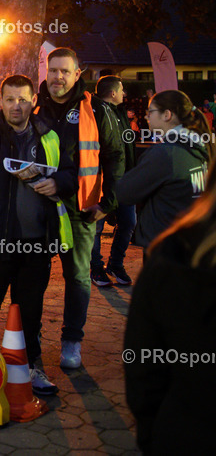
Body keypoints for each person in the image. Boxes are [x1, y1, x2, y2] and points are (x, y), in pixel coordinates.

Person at [0, 75, 77, 396]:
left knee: (31, 312)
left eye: (23, 99)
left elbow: (70, 173)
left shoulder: (49, 135)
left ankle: (31, 368)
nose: (16, 106)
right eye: (9, 99)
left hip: (36, 243)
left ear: (34, 100)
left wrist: (59, 183)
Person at [33, 47, 124, 370]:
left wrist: (108, 204)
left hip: (81, 209)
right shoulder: (31, 106)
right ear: (46, 70)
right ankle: (31, 341)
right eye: (53, 70)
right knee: (33, 277)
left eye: (65, 71)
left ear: (77, 74)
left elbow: (115, 157)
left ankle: (72, 341)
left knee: (77, 277)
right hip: (37, 209)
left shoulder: (97, 109)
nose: (58, 77)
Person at [124, 165, 216, 453]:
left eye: (151, 114)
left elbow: (143, 366)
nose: (147, 117)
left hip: (184, 431)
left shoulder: (172, 258)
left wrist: (151, 432)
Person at [116, 90, 213, 250]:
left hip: (166, 247)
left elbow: (125, 192)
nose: (147, 117)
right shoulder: (200, 146)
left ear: (167, 115)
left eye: (151, 111)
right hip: (191, 243)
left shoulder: (166, 153)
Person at [90, 76, 138, 287]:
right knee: (97, 226)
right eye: (121, 90)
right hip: (100, 179)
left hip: (124, 180)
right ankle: (96, 268)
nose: (124, 93)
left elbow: (125, 147)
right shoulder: (97, 113)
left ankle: (115, 264)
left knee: (128, 222)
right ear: (112, 93)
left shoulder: (119, 113)